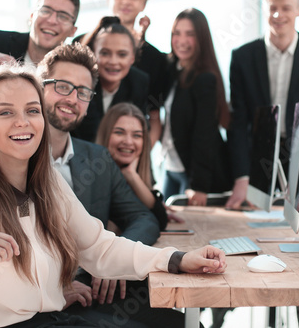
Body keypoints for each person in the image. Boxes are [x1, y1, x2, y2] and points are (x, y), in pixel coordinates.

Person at [0, 63, 227, 328]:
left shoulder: (49, 185)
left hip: (52, 318)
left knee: (170, 320)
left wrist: (177, 259)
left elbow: (98, 247)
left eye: (32, 110)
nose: (23, 122)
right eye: (5, 113)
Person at [38, 43, 190, 327]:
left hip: (96, 290)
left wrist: (113, 260)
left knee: (183, 323)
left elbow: (144, 217)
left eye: (82, 92)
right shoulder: (17, 157)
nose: (72, 98)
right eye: (62, 86)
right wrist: (50, 287)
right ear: (39, 87)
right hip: (41, 304)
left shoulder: (97, 158)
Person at [224, 0, 299, 327]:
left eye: (285, 8)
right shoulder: (243, 55)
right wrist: (242, 176)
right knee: (258, 234)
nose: (278, 15)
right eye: (272, 8)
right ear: (266, 8)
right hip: (261, 152)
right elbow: (238, 121)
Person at [152, 8, 231, 206]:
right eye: (176, 33)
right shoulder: (173, 71)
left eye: (190, 34)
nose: (182, 41)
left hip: (193, 174)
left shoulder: (205, 79)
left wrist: (200, 186)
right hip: (170, 166)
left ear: (201, 39)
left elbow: (204, 135)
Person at [96, 103, 184, 230]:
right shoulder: (91, 178)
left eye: (137, 135)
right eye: (119, 132)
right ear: (106, 135)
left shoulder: (134, 174)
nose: (128, 142)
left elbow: (159, 220)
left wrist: (131, 175)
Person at [73, 16, 149, 142]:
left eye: (122, 55)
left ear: (132, 58)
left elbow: (139, 130)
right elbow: (88, 134)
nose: (113, 62)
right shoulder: (80, 81)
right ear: (93, 54)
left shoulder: (139, 82)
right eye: (105, 53)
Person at [0, 0, 79, 65]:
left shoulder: (75, 70)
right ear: (31, 17)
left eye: (63, 16)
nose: (51, 20)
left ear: (72, 31)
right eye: (45, 11)